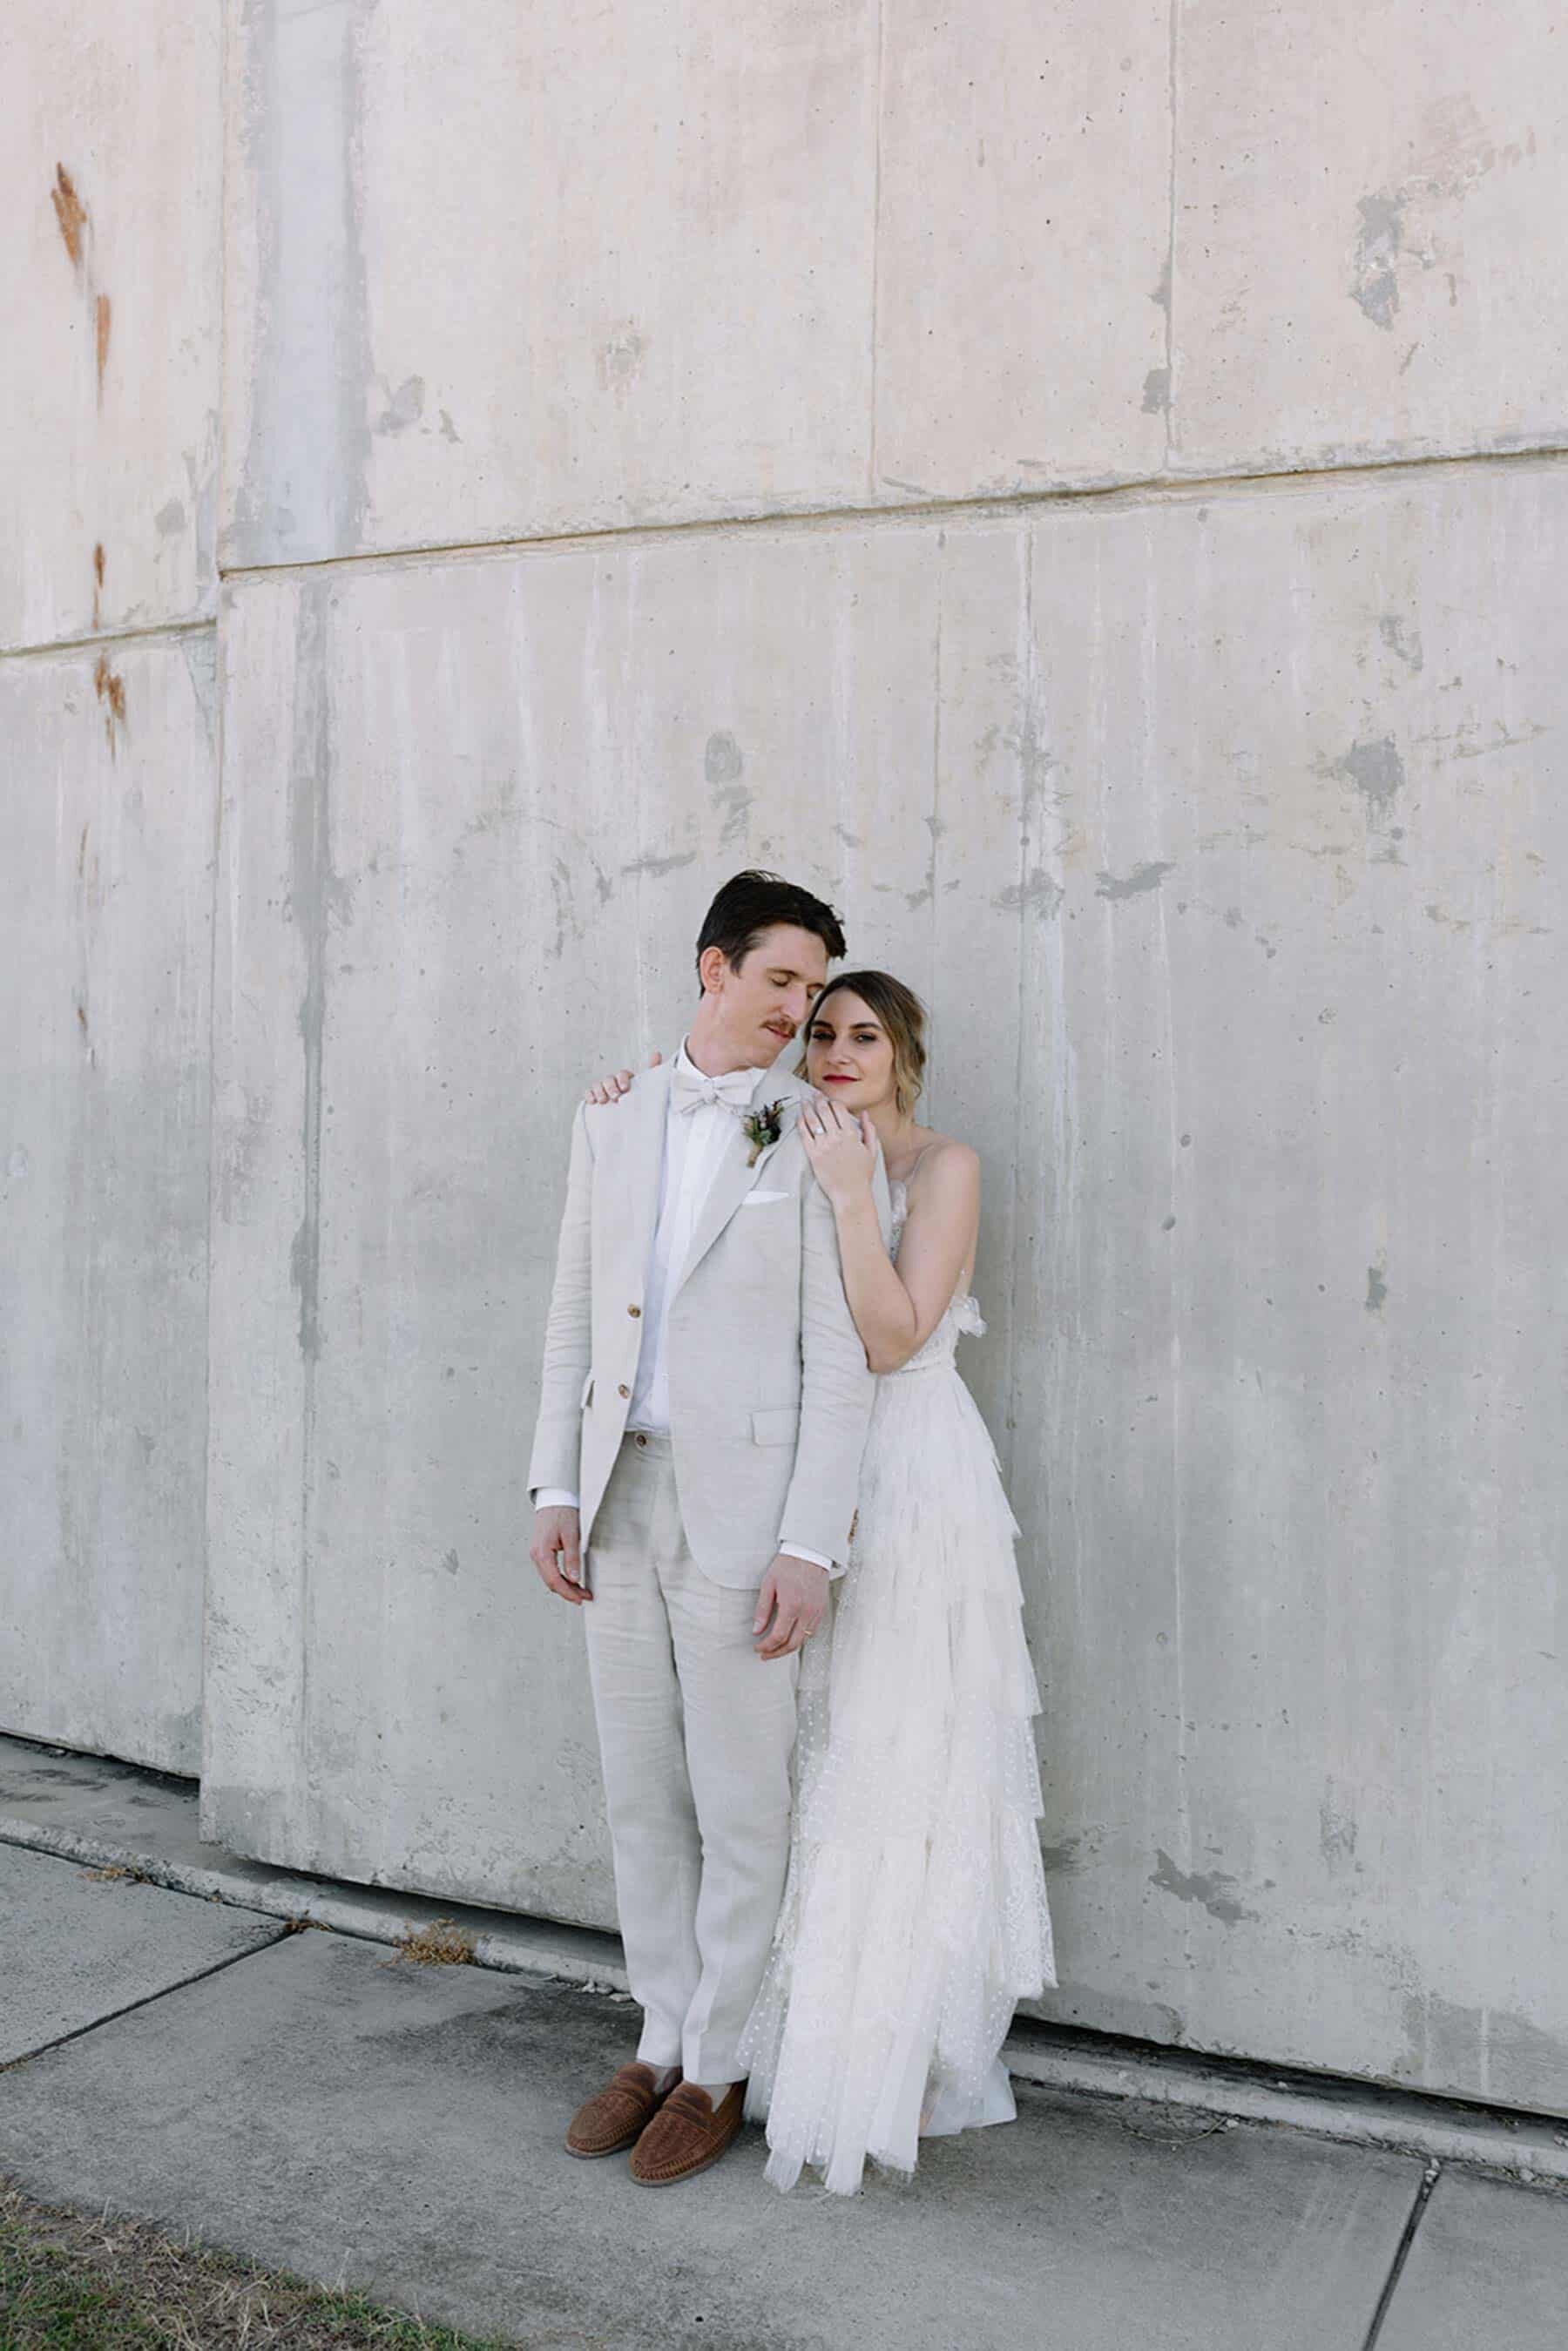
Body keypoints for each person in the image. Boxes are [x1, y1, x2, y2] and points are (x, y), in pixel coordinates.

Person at [585, 969, 1056, 2193]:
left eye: (866, 1034)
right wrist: (629, 1096)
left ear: (906, 1053)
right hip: (791, 1479)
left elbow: (894, 1339)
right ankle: (715, 2045)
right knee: (782, 1769)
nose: (838, 1049)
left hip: (909, 1481)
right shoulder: (778, 1131)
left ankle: (862, 2051)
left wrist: (855, 1199)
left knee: (889, 1760)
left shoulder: (936, 1167)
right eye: (823, 1030)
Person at [528, 872, 892, 2189]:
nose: (800, 1013)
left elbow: (843, 1362)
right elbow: (573, 1311)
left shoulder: (815, 1133)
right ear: (713, 970)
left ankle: (719, 2065)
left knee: (744, 1806)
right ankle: (657, 2033)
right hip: (620, 1496)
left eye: (813, 992)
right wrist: (552, 1489)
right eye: (782, 983)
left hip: (747, 1519)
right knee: (641, 1795)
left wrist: (812, 1545)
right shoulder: (612, 1115)